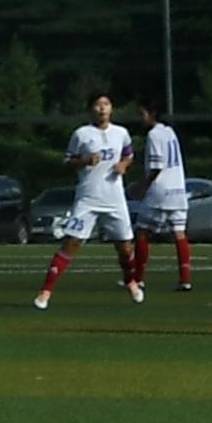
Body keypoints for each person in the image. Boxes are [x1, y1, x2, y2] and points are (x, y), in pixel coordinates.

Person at [33, 87, 138, 309]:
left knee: (125, 247)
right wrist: (84, 161)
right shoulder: (81, 134)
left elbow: (129, 154)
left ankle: (131, 281)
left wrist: (124, 165)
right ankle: (46, 292)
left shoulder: (121, 133)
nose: (102, 109)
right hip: (88, 198)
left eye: (106, 104)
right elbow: (68, 160)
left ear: (112, 109)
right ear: (91, 109)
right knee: (71, 242)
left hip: (114, 199)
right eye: (98, 104)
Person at [135, 98, 198, 292]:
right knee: (179, 233)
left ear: (151, 114)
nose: (140, 119)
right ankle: (185, 279)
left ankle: (137, 278)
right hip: (178, 190)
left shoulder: (154, 135)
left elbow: (156, 167)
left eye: (142, 114)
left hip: (160, 191)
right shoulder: (169, 131)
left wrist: (141, 187)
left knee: (142, 231)